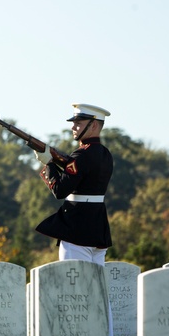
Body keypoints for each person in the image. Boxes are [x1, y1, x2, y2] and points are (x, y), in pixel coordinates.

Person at [33, 103, 113, 264]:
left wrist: (48, 163)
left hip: (77, 227)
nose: (73, 127)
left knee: (74, 286)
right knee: (94, 286)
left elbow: (60, 190)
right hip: (98, 226)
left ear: (94, 125)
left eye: (78, 123)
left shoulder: (81, 155)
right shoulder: (105, 154)